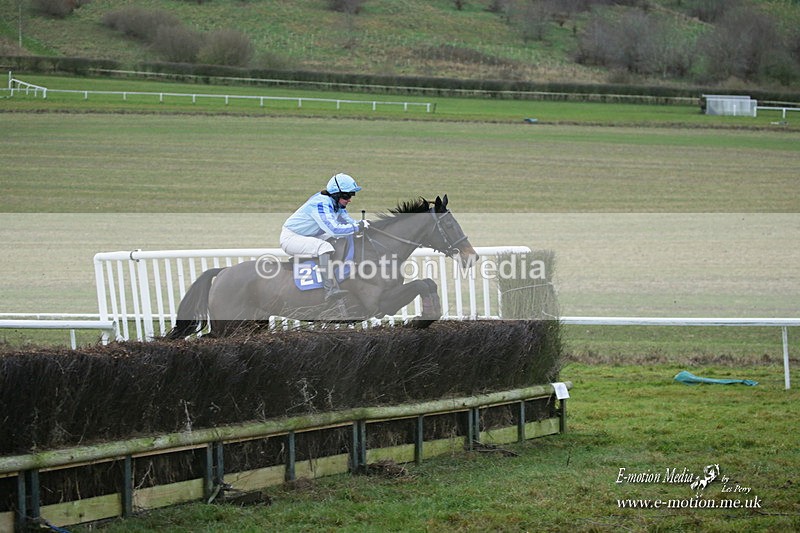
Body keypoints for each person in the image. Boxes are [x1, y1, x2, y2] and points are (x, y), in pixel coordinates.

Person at [280, 173, 368, 300]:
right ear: (337, 194)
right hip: (291, 238)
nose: (350, 199)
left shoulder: (336, 204)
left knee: (342, 238)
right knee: (325, 247)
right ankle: (330, 288)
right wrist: (357, 227)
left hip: (310, 235)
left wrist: (363, 226)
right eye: (347, 195)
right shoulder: (321, 203)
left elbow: (347, 221)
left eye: (352, 195)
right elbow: (334, 229)